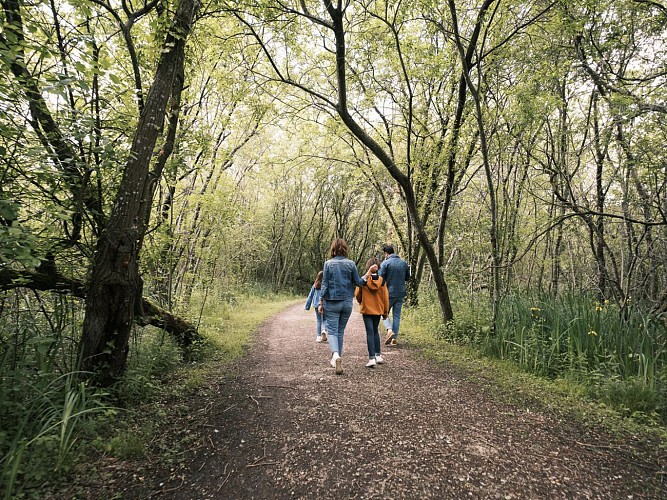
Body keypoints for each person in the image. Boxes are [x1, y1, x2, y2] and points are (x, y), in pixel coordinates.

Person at [319, 238, 377, 375]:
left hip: (332, 301)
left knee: (332, 331)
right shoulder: (351, 264)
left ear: (333, 249)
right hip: (346, 303)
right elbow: (359, 282)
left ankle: (336, 355)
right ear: (345, 249)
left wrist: (321, 302)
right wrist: (368, 273)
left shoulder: (328, 264)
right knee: (340, 331)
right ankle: (337, 357)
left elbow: (325, 285)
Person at [355, 257, 389, 368]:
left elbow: (357, 295)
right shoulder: (382, 281)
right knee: (375, 332)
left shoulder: (364, 281)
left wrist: (361, 302)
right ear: (378, 267)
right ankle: (378, 355)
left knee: (369, 333)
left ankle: (371, 358)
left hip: (367, 309)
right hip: (378, 310)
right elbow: (385, 298)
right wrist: (385, 312)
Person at [379, 244, 410, 346]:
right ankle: (394, 338)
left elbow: (380, 278)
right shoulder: (404, 263)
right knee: (397, 316)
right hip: (401, 293)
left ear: (386, 253)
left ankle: (389, 330)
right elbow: (407, 278)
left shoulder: (385, 263)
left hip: (389, 293)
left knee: (383, 313)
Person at [305, 271, 327, 342]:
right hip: (325, 304)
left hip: (317, 305)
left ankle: (318, 337)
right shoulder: (326, 285)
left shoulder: (315, 285)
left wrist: (307, 306)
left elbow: (310, 296)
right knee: (325, 319)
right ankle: (324, 330)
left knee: (318, 320)